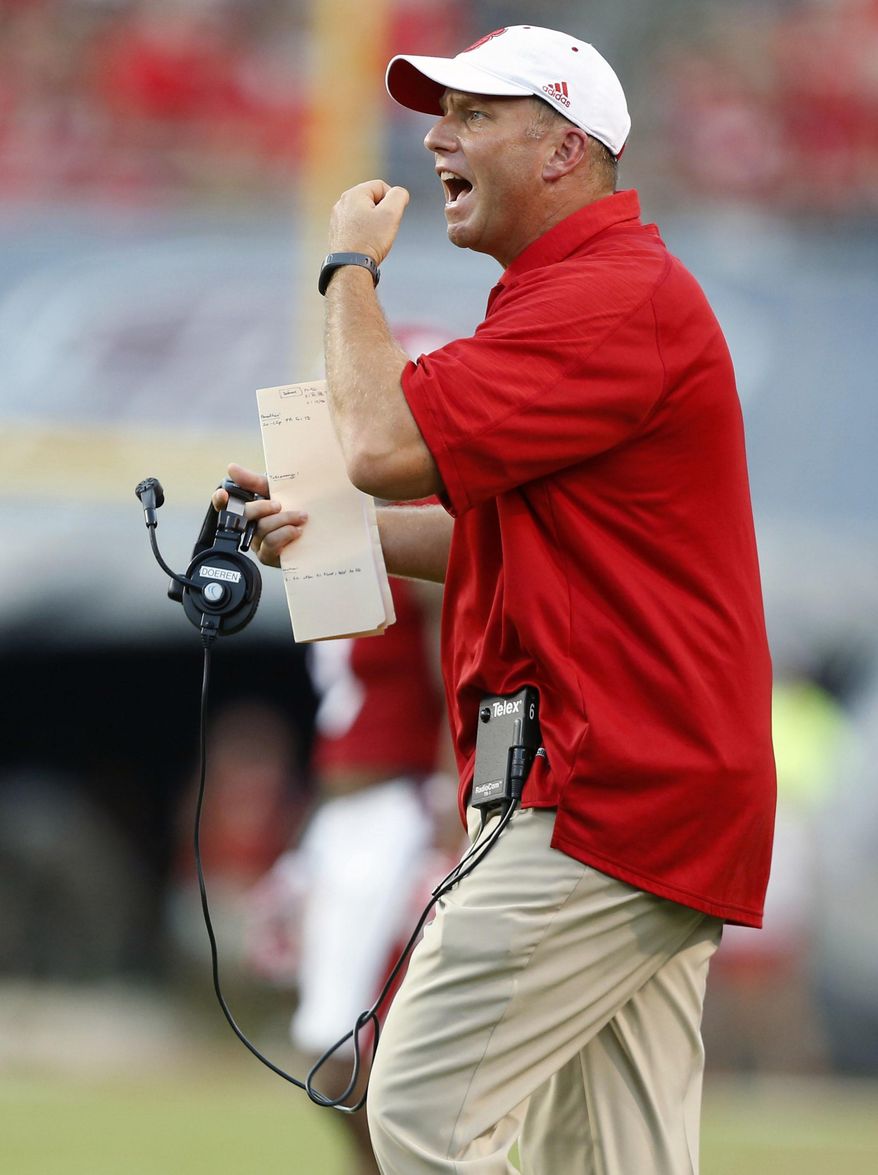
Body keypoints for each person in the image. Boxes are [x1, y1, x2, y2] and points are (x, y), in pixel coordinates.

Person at [217, 24, 776, 1174]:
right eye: (440, 113)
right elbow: (494, 535)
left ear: (564, 147)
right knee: (609, 1159)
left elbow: (378, 443)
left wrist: (348, 268)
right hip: (639, 787)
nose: (433, 139)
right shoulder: (585, 296)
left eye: (472, 114)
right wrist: (336, 535)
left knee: (416, 1109)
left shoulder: (607, 296)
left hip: (601, 788)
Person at [244, 576, 459, 1175]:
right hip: (341, 817)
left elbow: (458, 683)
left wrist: (451, 801)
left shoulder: (416, 541)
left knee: (374, 1049)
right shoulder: (336, 546)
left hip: (402, 810)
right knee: (325, 1050)